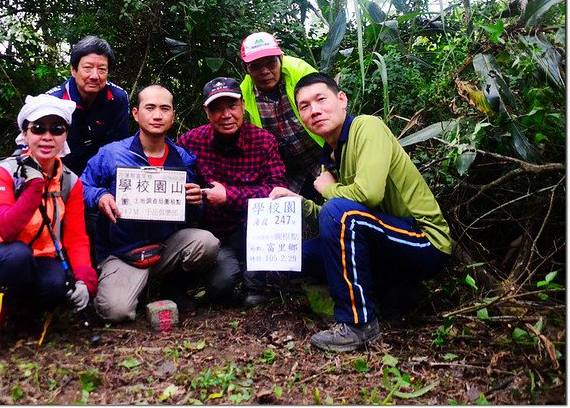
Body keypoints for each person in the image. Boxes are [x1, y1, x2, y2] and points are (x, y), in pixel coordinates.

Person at [270, 73, 453, 352]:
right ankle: (394, 290)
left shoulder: (367, 127)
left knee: (337, 212)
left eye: (321, 99)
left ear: (341, 99)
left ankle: (358, 324)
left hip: (423, 240)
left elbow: (367, 195)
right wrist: (297, 201)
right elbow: (341, 220)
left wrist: (327, 190)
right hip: (384, 237)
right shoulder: (330, 155)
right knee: (301, 255)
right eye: (304, 106)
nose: (314, 110)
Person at [0, 94, 99, 356]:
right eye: (38, 128)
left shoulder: (70, 182)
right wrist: (34, 186)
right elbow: (6, 228)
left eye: (57, 129)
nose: (48, 137)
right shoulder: (4, 172)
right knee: (16, 256)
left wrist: (84, 281)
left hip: (34, 261)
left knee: (59, 282)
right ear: (25, 133)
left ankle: (21, 316)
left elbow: (77, 238)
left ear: (66, 135)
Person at [177, 77, 323, 307]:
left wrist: (229, 196)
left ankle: (257, 285)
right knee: (221, 286)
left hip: (254, 231)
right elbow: (179, 184)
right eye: (217, 108)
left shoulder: (264, 141)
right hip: (215, 235)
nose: (226, 115)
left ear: (243, 105)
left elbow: (276, 190)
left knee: (272, 212)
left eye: (232, 106)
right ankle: (224, 274)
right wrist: (192, 195)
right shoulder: (190, 141)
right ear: (207, 112)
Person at [81, 85, 220, 322]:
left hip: (165, 247)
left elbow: (193, 209)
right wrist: (100, 197)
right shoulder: (112, 154)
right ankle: (128, 284)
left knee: (206, 242)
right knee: (115, 312)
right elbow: (82, 187)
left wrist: (196, 201)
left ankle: (171, 285)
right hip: (123, 252)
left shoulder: (182, 158)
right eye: (150, 108)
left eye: (165, 109)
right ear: (136, 114)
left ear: (173, 116)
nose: (157, 115)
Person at [239, 32, 323, 200]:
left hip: (320, 155)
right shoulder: (243, 95)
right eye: (255, 66)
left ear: (281, 59)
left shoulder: (301, 72)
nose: (265, 71)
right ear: (245, 69)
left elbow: (329, 109)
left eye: (271, 63)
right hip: (286, 170)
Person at [47, 35, 130, 176]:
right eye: (87, 68)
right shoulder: (54, 101)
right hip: (63, 176)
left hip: (103, 176)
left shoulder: (118, 98)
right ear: (73, 70)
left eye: (102, 69)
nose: (94, 76)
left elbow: (119, 148)